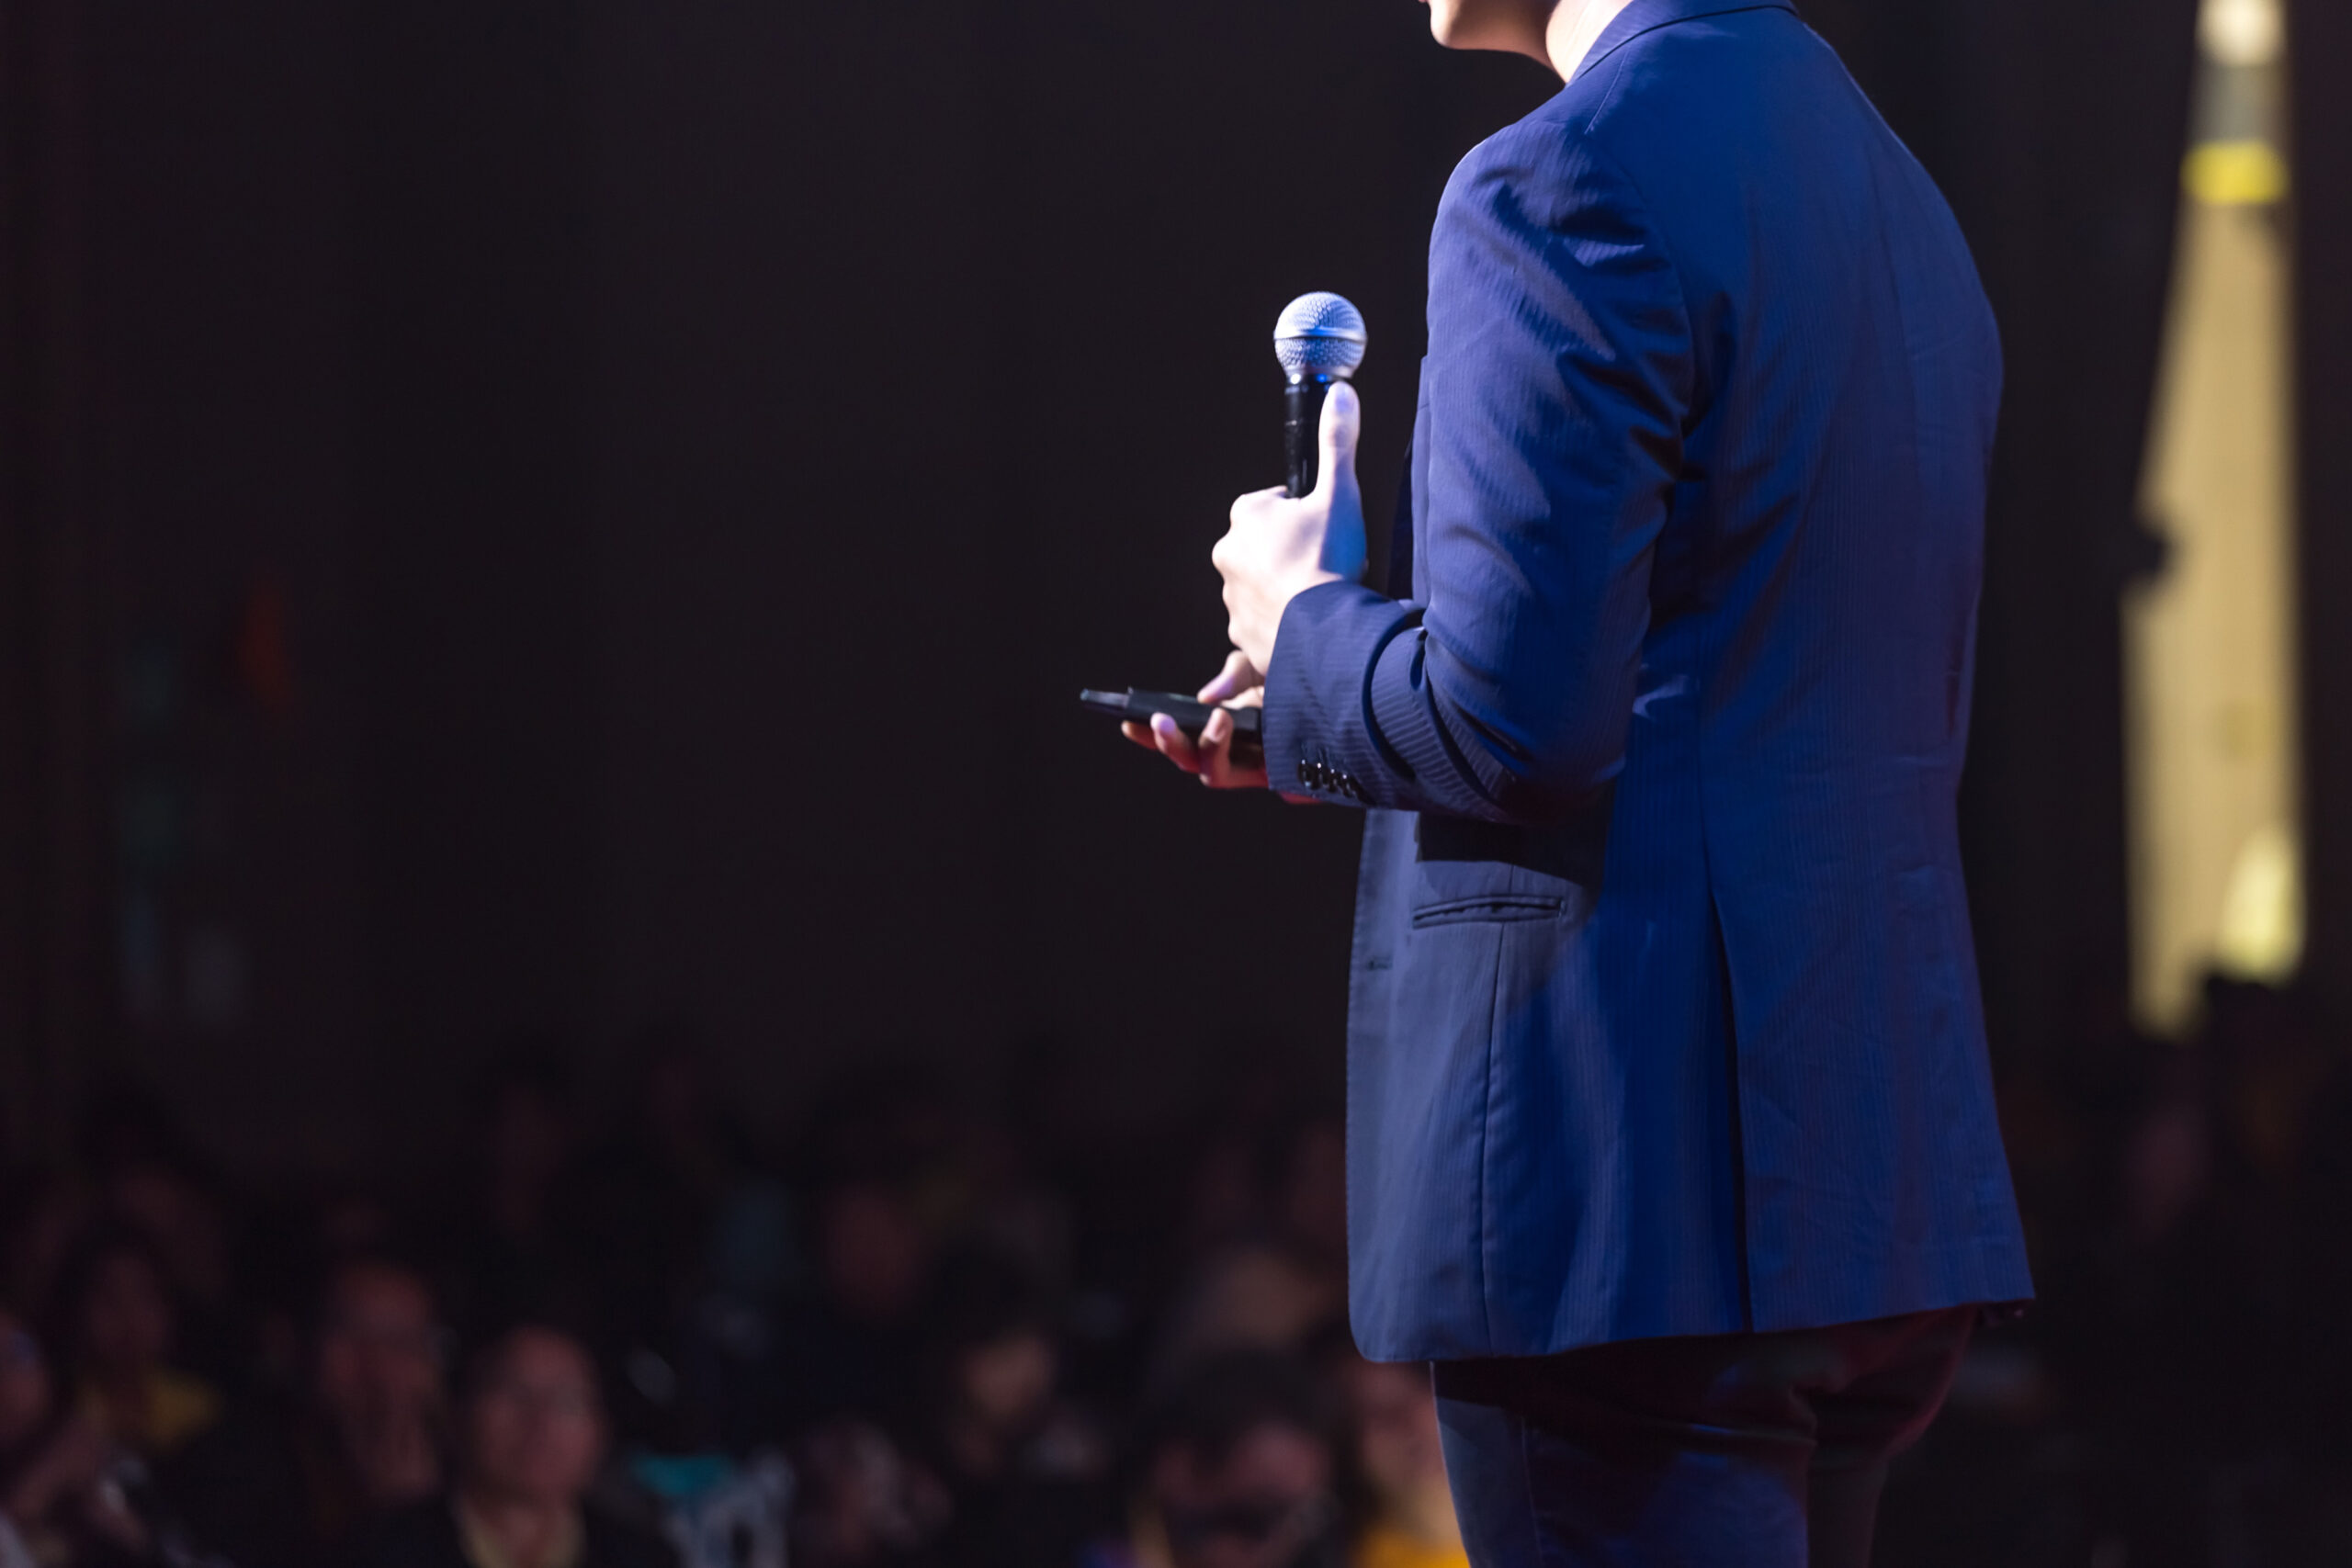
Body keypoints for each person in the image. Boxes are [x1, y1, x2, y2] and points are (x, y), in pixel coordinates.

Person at [1124, 0, 2033, 1559]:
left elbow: (1518, 728)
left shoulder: (1564, 179)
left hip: (1638, 1200)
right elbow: (1733, 685)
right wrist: (1318, 717)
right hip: (1865, 1175)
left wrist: (1306, 618)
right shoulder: (1898, 195)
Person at [165, 1257, 451, 1568]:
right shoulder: (225, 1469)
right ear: (299, 1344)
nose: (377, 1366)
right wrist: (396, 1525)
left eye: (402, 1342)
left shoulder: (464, 1466)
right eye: (349, 1333)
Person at [352, 1325, 674, 1568]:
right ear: (461, 1412)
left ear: (601, 1431)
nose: (540, 1420)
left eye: (569, 1402)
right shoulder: (381, 1550)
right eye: (513, 1392)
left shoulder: (644, 1558)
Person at [1082, 1351, 1344, 1568]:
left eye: (1307, 1517)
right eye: (1260, 1513)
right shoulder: (1073, 1547)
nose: (1282, 1541)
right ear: (1179, 1472)